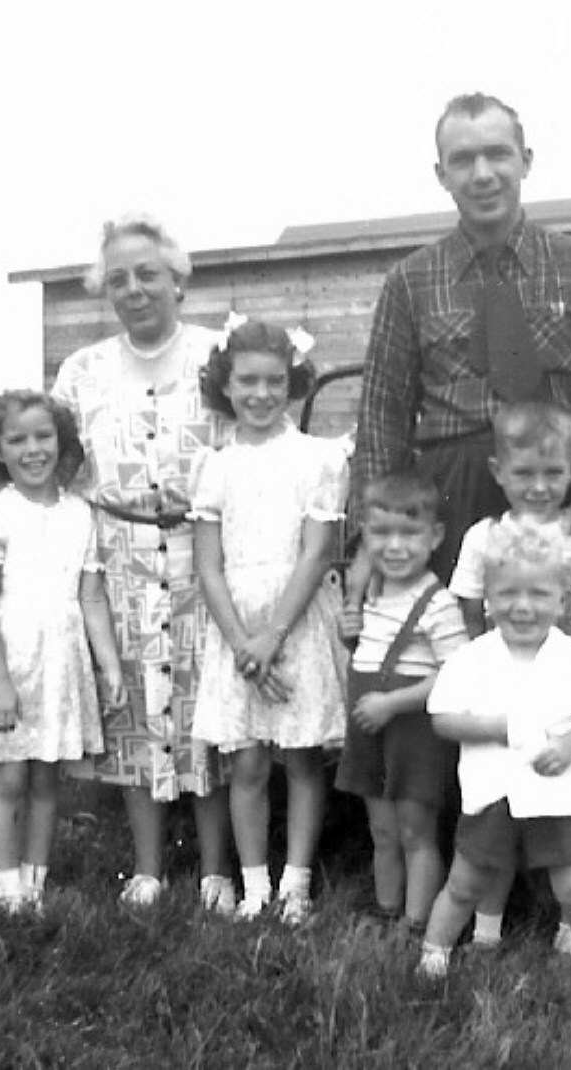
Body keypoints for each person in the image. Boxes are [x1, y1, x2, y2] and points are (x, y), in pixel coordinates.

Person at [351, 91, 571, 588]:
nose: (482, 173)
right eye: (462, 160)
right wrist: (369, 541)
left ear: (525, 161)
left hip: (559, 491)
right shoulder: (410, 281)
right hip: (448, 498)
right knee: (449, 651)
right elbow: (382, 418)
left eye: (497, 153)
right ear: (441, 174)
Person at [53, 214, 234, 912]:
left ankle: (217, 869)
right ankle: (149, 866)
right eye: (118, 278)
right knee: (131, 705)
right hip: (119, 559)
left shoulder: (217, 356)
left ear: (177, 281)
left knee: (204, 706)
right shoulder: (83, 369)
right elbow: (62, 468)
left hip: (203, 554)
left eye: (147, 274)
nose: (134, 289)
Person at [449, 399, 571, 945]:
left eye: (554, 473)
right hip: (506, 694)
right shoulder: (482, 537)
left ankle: (570, 917)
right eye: (524, 474)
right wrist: (476, 686)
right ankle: (490, 920)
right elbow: (466, 612)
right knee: (495, 801)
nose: (539, 486)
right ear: (498, 472)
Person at [0, 390, 124, 914]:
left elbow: (90, 597)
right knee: (10, 775)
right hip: (10, 657)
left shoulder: (81, 514)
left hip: (59, 661)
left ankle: (36, 884)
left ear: (61, 443)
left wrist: (107, 663)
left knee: (46, 776)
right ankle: (7, 886)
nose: (33, 450)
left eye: (43, 437)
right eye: (17, 440)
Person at [191, 318, 348, 926]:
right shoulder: (214, 466)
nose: (261, 393)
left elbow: (317, 553)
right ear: (225, 386)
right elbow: (208, 567)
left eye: (275, 381)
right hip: (235, 629)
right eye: (247, 381)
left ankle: (296, 883)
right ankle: (254, 886)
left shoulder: (320, 458)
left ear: (295, 384)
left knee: (303, 756)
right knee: (249, 762)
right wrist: (242, 645)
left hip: (296, 618)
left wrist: (272, 636)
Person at [418, 516, 571, 980]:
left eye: (538, 595)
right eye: (508, 594)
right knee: (466, 881)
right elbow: (442, 718)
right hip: (493, 791)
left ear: (563, 598)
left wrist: (570, 745)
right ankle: (433, 955)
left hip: (558, 797)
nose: (523, 607)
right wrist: (493, 727)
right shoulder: (472, 660)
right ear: (488, 599)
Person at [334, 470, 469, 932]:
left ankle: (415, 923)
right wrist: (348, 635)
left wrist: (393, 705)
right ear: (365, 536)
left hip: (412, 733)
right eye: (381, 533)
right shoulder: (370, 594)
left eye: (409, 534)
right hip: (372, 730)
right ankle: (386, 909)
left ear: (434, 537)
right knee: (383, 830)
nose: (394, 547)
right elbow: (367, 654)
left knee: (415, 830)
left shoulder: (437, 602)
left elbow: (454, 674)